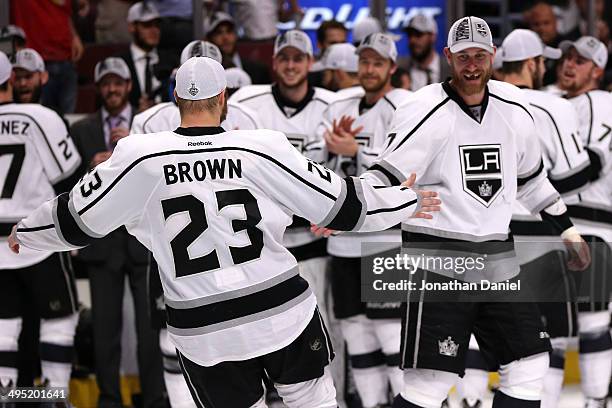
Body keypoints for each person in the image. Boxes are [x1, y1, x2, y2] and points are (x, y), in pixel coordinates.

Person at [8, 55, 440, 408]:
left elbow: (74, 220)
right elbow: (344, 206)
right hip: (279, 310)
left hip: (203, 326)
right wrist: (404, 199)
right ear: (224, 98)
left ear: (175, 96)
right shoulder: (261, 145)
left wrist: (25, 233)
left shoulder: (138, 156)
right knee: (314, 401)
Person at [358, 16, 590, 408]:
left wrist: (568, 231)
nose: (471, 65)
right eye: (463, 55)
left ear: (492, 56)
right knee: (429, 384)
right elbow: (383, 176)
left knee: (531, 364)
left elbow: (531, 179)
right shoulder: (422, 109)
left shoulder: (515, 107)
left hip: (498, 261)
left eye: (479, 55)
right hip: (437, 263)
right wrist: (348, 210)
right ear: (448, 56)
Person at [456, 28, 593, 408]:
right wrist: (601, 158)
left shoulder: (475, 101)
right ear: (533, 64)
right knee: (547, 344)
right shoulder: (553, 107)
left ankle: (473, 401)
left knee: (480, 334)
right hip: (540, 239)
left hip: (486, 240)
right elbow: (569, 176)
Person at [319, 32, 410, 408]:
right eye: (364, 61)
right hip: (342, 245)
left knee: (392, 338)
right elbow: (325, 169)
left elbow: (407, 171)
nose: (369, 69)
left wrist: (358, 149)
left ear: (391, 67)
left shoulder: (405, 106)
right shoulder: (343, 106)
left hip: (384, 242)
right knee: (356, 336)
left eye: (377, 62)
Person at [70, 57, 166, 408]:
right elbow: (68, 186)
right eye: (106, 82)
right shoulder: (81, 130)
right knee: (105, 332)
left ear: (129, 85)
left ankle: (154, 399)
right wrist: (90, 169)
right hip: (102, 242)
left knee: (150, 329)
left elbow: (162, 175)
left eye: (118, 82)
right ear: (99, 87)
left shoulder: (149, 128)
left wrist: (133, 150)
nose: (112, 88)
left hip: (144, 242)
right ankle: (108, 400)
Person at [0, 50, 82, 399]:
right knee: (60, 323)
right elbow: (73, 180)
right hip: (38, 237)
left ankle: (6, 394)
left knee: (3, 329)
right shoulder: (39, 116)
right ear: (10, 80)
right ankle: (54, 397)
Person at [556, 35, 612, 408]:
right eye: (568, 57)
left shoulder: (600, 102)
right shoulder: (557, 103)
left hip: (592, 226)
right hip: (561, 227)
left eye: (581, 61)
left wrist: (535, 184)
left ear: (598, 70)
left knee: (591, 322)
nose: (570, 64)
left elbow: (590, 167)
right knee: (553, 330)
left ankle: (596, 400)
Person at [10, 0, 84, 114]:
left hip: (66, 58)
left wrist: (74, 35)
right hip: (34, 64)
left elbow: (65, 10)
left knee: (68, 121)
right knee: (39, 117)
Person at [118, 1, 166, 112]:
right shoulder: (120, 63)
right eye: (147, 25)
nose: (154, 30)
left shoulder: (170, 61)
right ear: (132, 27)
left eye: (157, 25)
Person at [205, 11, 271, 84]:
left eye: (229, 31)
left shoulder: (259, 71)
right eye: (218, 33)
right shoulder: (205, 75)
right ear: (208, 40)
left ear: (235, 35)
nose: (225, 37)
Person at [524, 2, 580, 86]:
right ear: (530, 26)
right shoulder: (524, 48)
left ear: (555, 23)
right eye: (536, 24)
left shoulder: (567, 47)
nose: (541, 28)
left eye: (546, 23)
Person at [398, 13, 450, 91]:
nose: (412, 40)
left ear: (432, 36)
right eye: (410, 35)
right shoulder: (399, 69)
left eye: (418, 35)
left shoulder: (451, 68)